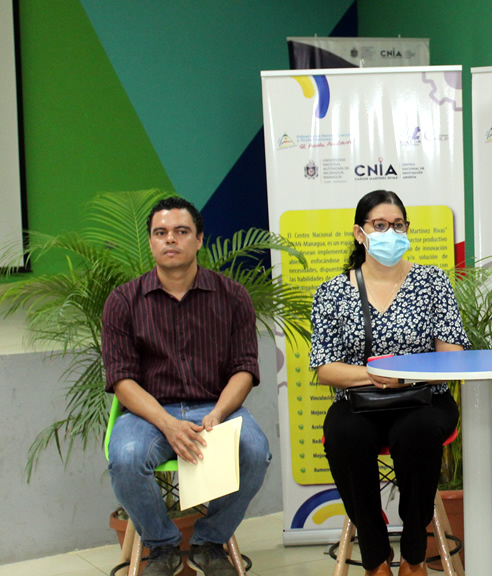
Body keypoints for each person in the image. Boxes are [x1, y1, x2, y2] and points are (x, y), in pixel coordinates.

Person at [103, 196, 271, 576]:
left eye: (181, 231)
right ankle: (161, 547)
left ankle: (209, 541)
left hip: (214, 406)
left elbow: (244, 369)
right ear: (150, 242)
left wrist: (218, 414)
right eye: (160, 233)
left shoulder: (233, 297)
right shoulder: (123, 301)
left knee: (255, 451)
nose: (170, 240)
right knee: (127, 456)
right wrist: (167, 423)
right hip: (148, 413)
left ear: (199, 240)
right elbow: (121, 379)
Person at [311, 190, 469, 576]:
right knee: (345, 436)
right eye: (379, 225)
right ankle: (375, 555)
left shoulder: (433, 282)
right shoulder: (333, 291)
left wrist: (405, 376)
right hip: (358, 400)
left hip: (425, 399)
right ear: (359, 233)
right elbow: (326, 367)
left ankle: (414, 552)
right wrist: (373, 375)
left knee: (417, 433)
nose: (390, 233)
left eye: (397, 225)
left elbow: (453, 356)